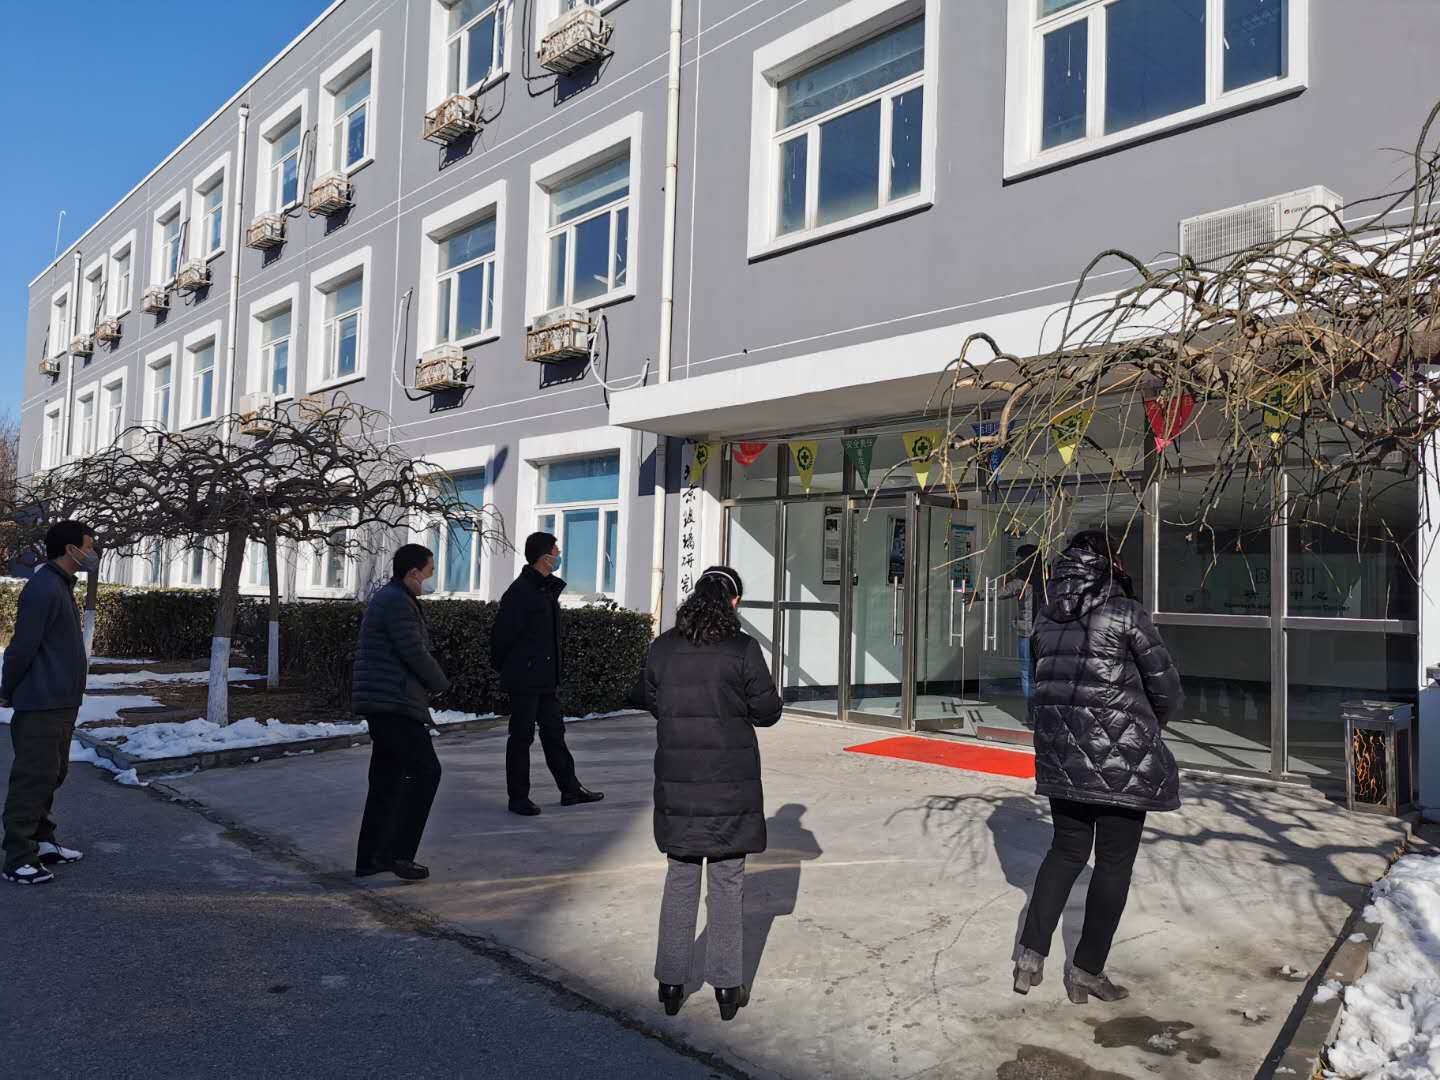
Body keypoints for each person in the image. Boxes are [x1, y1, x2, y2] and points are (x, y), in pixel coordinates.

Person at [1013, 530, 1182, 1004]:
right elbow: (1167, 690)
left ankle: (1030, 955)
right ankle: (1086, 970)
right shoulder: (1126, 612)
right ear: (1112, 564)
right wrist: (1143, 727)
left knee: (1064, 851)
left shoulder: (1047, 615)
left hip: (1062, 754)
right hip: (1122, 760)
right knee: (1113, 865)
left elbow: (1042, 683)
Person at [638, 566, 784, 1021]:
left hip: (678, 782)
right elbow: (767, 711)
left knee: (680, 878)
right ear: (733, 602)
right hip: (730, 785)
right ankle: (726, 987)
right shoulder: (742, 649)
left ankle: (670, 983)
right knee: (726, 881)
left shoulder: (663, 648)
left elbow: (650, 699)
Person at [1, 521, 96, 885]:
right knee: (33, 778)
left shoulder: (60, 585)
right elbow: (22, 647)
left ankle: (42, 841)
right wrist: (7, 688)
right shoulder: (43, 588)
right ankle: (18, 858)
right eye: (89, 546)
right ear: (71, 550)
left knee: (53, 774)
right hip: (41, 701)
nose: (93, 553)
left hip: (60, 701)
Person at [351, 544, 450, 882]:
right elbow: (413, 651)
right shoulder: (396, 602)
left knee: (387, 779)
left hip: (386, 701)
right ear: (413, 572)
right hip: (394, 702)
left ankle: (371, 858)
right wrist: (440, 683)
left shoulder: (392, 598)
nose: (429, 580)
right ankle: (399, 854)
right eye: (428, 573)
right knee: (426, 771)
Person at [491, 532, 602, 816]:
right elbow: (502, 637)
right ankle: (518, 797)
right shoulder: (521, 592)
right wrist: (515, 669)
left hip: (545, 678)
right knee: (521, 738)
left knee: (555, 734)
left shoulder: (545, 589)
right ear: (545, 558)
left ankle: (570, 789)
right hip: (526, 678)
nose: (559, 555)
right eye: (556, 551)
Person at [994, 544, 1045, 705]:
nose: (1017, 562)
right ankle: (1039, 706)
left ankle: (1032, 707)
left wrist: (977, 595)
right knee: (1039, 671)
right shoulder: (1047, 578)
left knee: (1026, 671)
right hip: (1044, 632)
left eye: (1019, 559)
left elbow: (1000, 592)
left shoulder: (1022, 581)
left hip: (1028, 633)